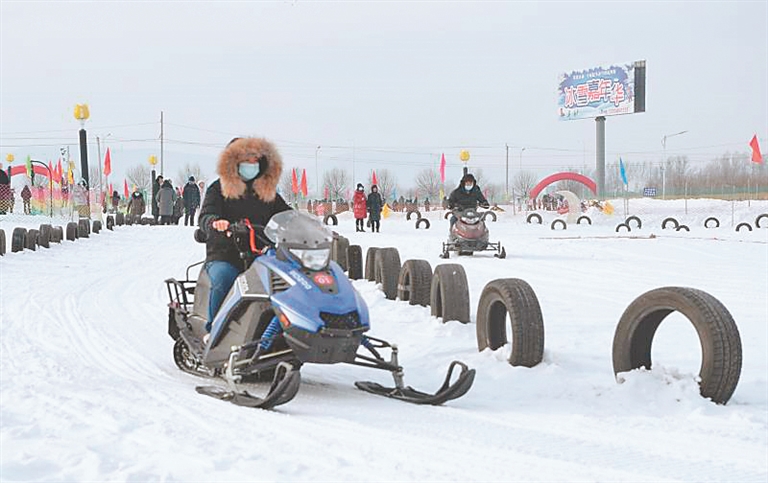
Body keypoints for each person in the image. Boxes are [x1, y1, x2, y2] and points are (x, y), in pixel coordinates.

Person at [198, 137, 291, 335]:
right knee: (224, 278)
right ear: (234, 162)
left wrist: (305, 223)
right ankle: (214, 333)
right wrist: (215, 222)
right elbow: (206, 215)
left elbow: (287, 214)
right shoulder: (218, 188)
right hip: (226, 254)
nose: (251, 165)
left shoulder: (268, 192)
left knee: (286, 283)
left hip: (263, 257)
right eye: (246, 161)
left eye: (255, 161)